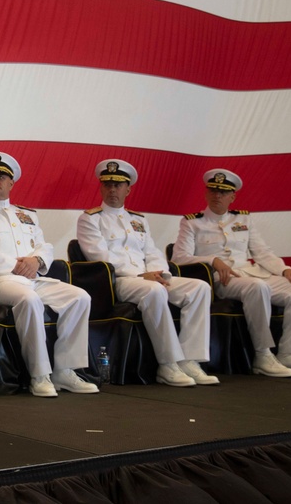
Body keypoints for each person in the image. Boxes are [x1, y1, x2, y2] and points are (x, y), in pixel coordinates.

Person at [0, 152, 99, 397]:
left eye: (1, 177)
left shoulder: (28, 214)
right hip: (0, 281)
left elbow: (44, 245)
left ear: (11, 182)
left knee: (80, 297)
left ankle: (64, 370)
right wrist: (14, 265)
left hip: (34, 278)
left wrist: (37, 260)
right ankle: (39, 374)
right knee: (29, 299)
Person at [76, 159, 218, 387]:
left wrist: (160, 273)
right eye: (108, 184)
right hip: (119, 281)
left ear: (128, 189)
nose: (113, 189)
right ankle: (168, 363)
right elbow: (100, 258)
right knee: (153, 291)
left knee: (199, 287)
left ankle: (191, 360)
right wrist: (145, 277)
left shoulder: (139, 220)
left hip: (148, 277)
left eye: (118, 185)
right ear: (101, 188)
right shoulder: (90, 219)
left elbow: (151, 251)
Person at [171, 169, 291, 377]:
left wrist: (285, 269)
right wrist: (212, 260)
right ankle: (263, 354)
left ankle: (290, 352)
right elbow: (179, 257)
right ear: (206, 193)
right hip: (221, 280)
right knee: (258, 286)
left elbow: (262, 253)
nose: (217, 195)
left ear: (232, 197)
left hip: (251, 274)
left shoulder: (244, 220)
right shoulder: (192, 222)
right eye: (213, 190)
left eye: (223, 192)